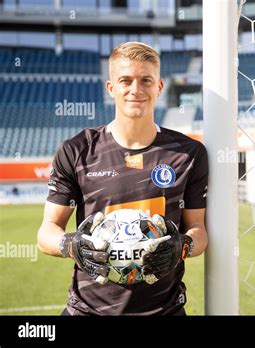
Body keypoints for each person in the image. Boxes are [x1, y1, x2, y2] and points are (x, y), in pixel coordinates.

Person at [37, 42, 208, 316]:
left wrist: (183, 246)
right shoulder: (77, 150)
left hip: (164, 311)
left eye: (146, 81)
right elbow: (46, 231)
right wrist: (70, 245)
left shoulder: (189, 154)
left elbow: (199, 231)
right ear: (111, 88)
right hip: (88, 311)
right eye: (125, 80)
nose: (136, 90)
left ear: (159, 88)